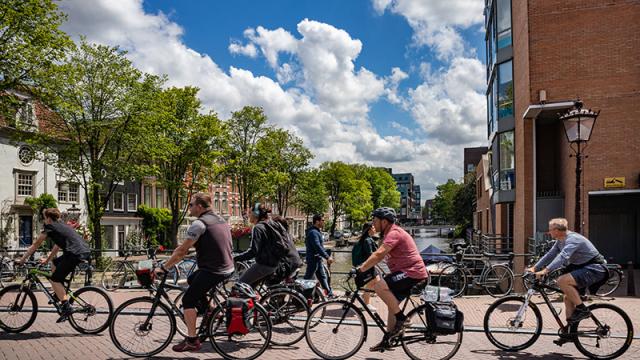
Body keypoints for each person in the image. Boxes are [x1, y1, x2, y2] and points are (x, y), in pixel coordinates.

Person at [155, 192, 234, 352]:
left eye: (190, 205)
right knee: (192, 279)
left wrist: (164, 267)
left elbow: (182, 250)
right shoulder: (220, 220)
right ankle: (210, 310)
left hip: (214, 270)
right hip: (227, 267)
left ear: (199, 206)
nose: (189, 207)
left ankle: (192, 340)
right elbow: (210, 244)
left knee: (188, 300)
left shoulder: (199, 224)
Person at [354, 207, 428, 352]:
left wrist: (360, 269)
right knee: (391, 304)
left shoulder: (394, 233)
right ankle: (388, 339)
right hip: (407, 273)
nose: (373, 223)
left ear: (385, 221)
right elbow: (379, 255)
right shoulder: (388, 233)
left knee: (380, 286)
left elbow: (379, 254)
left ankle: (403, 318)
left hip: (413, 273)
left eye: (375, 220)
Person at [527, 217, 608, 345]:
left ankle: (582, 310)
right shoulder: (560, 240)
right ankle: (569, 333)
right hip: (582, 267)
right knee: (567, 298)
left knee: (562, 281)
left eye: (551, 229)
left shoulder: (572, 239)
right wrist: (535, 267)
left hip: (595, 268)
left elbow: (563, 256)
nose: (549, 232)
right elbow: (551, 254)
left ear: (558, 230)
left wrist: (545, 271)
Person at [18, 208, 91, 323]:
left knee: (55, 279)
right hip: (82, 251)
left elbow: (36, 244)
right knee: (55, 263)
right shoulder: (61, 226)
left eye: (44, 217)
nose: (43, 220)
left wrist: (22, 259)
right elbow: (57, 246)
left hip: (74, 254)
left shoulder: (50, 227)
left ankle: (67, 308)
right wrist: (47, 260)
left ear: (48, 218)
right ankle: (59, 293)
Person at [234, 203, 290, 286]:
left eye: (250, 212)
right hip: (275, 264)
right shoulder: (272, 223)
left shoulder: (258, 228)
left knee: (239, 285)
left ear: (256, 214)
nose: (248, 215)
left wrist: (236, 258)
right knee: (250, 287)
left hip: (264, 265)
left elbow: (253, 251)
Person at [304, 214, 335, 298]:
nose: (324, 222)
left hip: (317, 259)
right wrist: (327, 257)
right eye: (322, 220)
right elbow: (317, 246)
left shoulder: (316, 231)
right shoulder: (313, 233)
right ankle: (303, 298)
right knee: (308, 279)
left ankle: (329, 293)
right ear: (317, 221)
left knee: (322, 277)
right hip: (313, 259)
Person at [351, 222, 379, 310]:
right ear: (370, 229)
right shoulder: (368, 240)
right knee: (374, 281)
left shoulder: (365, 239)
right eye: (374, 228)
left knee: (375, 280)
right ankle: (367, 303)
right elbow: (371, 254)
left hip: (365, 265)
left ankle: (365, 297)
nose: (375, 229)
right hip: (367, 266)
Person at [270, 215, 303, 283]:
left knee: (270, 280)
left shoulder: (279, 236)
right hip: (296, 262)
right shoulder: (287, 234)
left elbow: (278, 251)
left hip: (288, 265)